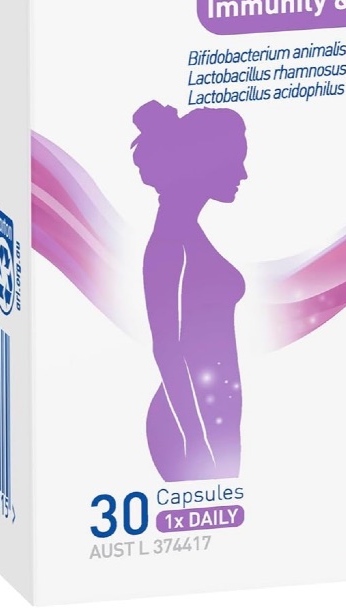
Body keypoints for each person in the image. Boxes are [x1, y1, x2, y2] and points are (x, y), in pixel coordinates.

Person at [131, 101, 248, 481]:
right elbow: (167, 348)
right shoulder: (171, 245)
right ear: (203, 164)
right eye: (234, 161)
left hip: (213, 416)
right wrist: (196, 442)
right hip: (189, 425)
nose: (243, 174)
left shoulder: (187, 235)